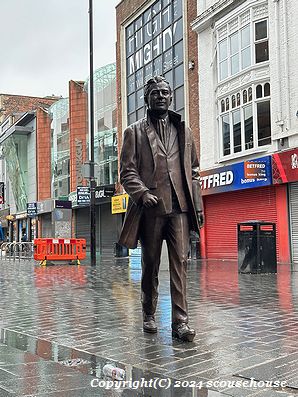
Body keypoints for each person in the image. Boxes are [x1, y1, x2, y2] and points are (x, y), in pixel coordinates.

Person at [119, 76, 204, 342]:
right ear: (146, 98)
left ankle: (181, 322)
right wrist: (142, 193)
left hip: (179, 208)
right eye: (155, 93)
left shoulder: (184, 130)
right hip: (152, 209)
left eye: (165, 92)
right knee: (151, 264)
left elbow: (193, 172)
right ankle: (148, 313)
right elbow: (127, 171)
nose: (161, 96)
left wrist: (197, 208)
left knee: (180, 264)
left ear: (171, 97)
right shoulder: (134, 132)